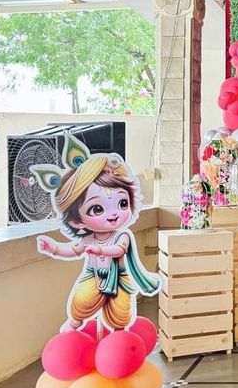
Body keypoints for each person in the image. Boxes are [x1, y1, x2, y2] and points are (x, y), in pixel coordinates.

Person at [31, 134, 159, 332]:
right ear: (76, 220)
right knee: (81, 301)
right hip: (93, 276)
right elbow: (73, 250)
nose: (114, 213)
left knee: (120, 313)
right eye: (97, 209)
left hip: (119, 278)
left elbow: (118, 250)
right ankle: (75, 322)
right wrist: (55, 249)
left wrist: (100, 250)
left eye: (122, 203)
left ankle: (118, 337)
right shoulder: (88, 238)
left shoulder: (121, 236)